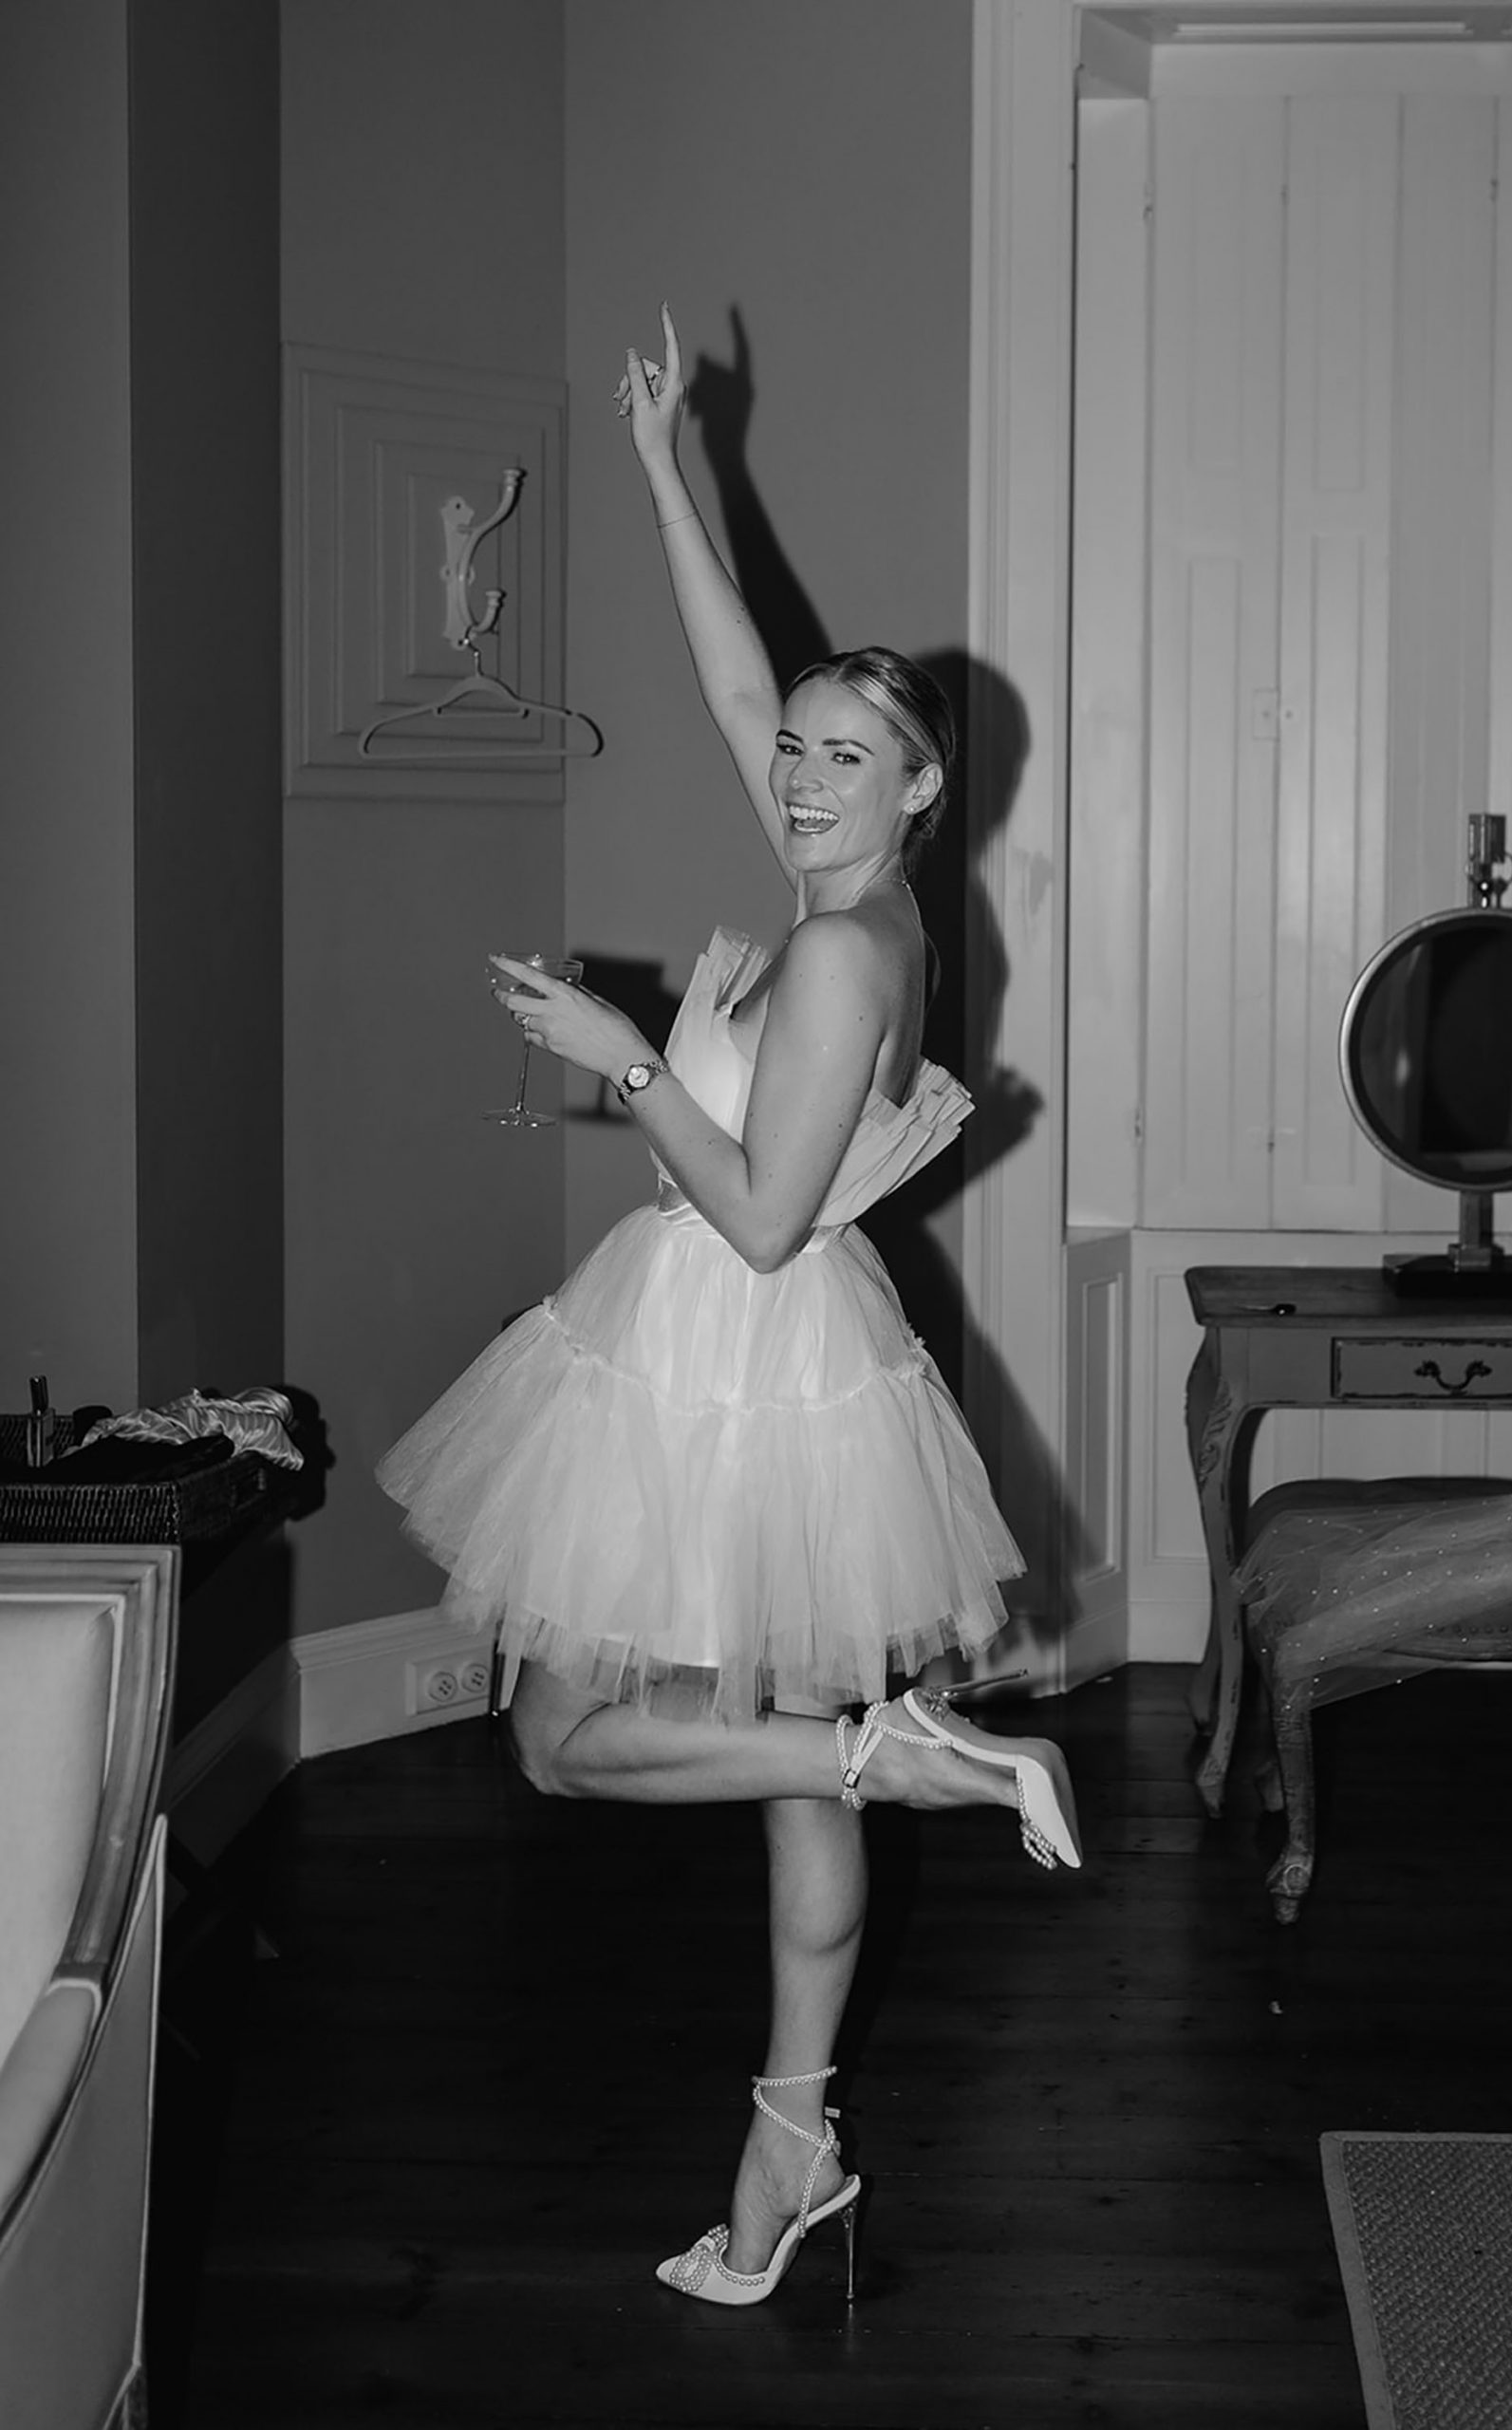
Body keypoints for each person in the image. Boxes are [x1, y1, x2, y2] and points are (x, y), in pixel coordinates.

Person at [377, 304, 1079, 2310]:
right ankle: (792, 2147)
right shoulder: (850, 895)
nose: (796, 771)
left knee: (564, 1742)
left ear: (920, 790)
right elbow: (735, 669)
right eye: (795, 751)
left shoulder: (849, 951)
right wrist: (663, 458)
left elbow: (762, 1220)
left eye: (845, 757)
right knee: (777, 1749)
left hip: (734, 1338)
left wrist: (623, 1058)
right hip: (762, 1365)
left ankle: (905, 1759)